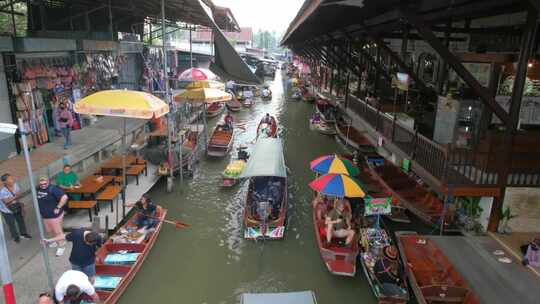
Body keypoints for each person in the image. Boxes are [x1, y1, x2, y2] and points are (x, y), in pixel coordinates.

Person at [37, 176, 69, 256]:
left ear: (48, 181)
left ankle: (61, 246)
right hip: (45, 216)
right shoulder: (39, 189)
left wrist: (58, 207)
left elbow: (64, 197)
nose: (43, 185)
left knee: (58, 232)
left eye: (45, 183)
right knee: (49, 231)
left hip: (54, 216)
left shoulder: (53, 188)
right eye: (41, 184)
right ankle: (55, 241)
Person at [0, 173, 31, 243]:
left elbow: (19, 194)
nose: (12, 179)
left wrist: (19, 203)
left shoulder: (15, 185)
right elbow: (6, 201)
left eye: (12, 178)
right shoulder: (2, 191)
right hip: (6, 210)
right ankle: (15, 236)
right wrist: (14, 197)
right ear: (5, 182)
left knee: (20, 220)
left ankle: (23, 233)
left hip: (16, 206)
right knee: (11, 223)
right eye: (10, 179)